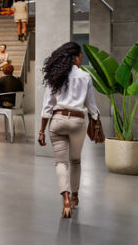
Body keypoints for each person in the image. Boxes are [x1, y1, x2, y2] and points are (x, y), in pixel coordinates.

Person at [37, 42, 103, 218]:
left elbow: (47, 107)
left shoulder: (55, 76)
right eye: (81, 56)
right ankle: (74, 196)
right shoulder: (85, 77)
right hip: (77, 121)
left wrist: (41, 131)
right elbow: (92, 106)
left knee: (60, 163)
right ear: (76, 57)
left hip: (57, 121)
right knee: (75, 161)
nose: (81, 59)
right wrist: (96, 122)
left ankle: (65, 199)